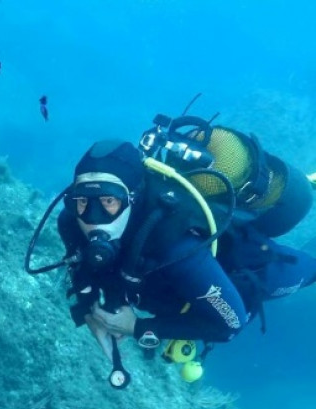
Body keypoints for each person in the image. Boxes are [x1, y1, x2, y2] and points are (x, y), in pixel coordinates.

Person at [34, 114, 316, 386]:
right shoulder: (70, 220)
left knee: (306, 270)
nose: (92, 216)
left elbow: (231, 325)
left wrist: (138, 328)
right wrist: (89, 310)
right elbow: (83, 268)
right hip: (170, 287)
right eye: (82, 201)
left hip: (248, 267)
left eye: (109, 200)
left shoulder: (175, 247)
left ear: (132, 198)